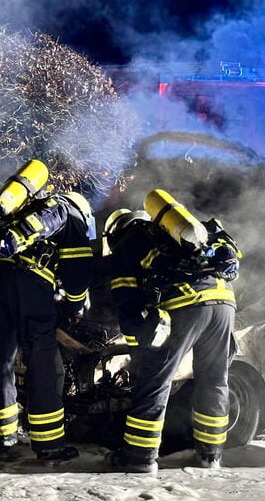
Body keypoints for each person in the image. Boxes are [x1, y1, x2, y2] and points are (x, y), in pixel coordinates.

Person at [103, 191, 241, 474]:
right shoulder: (182, 233)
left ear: (115, 232)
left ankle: (139, 457)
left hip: (185, 305)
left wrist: (138, 348)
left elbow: (127, 302)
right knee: (215, 380)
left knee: (155, 381)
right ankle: (210, 455)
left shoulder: (128, 243)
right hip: (225, 302)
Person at [0, 161, 95, 462]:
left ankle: (2, 442)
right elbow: (77, 268)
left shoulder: (22, 207)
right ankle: (49, 446)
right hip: (28, 280)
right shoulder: (70, 210)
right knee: (42, 362)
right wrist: (75, 305)